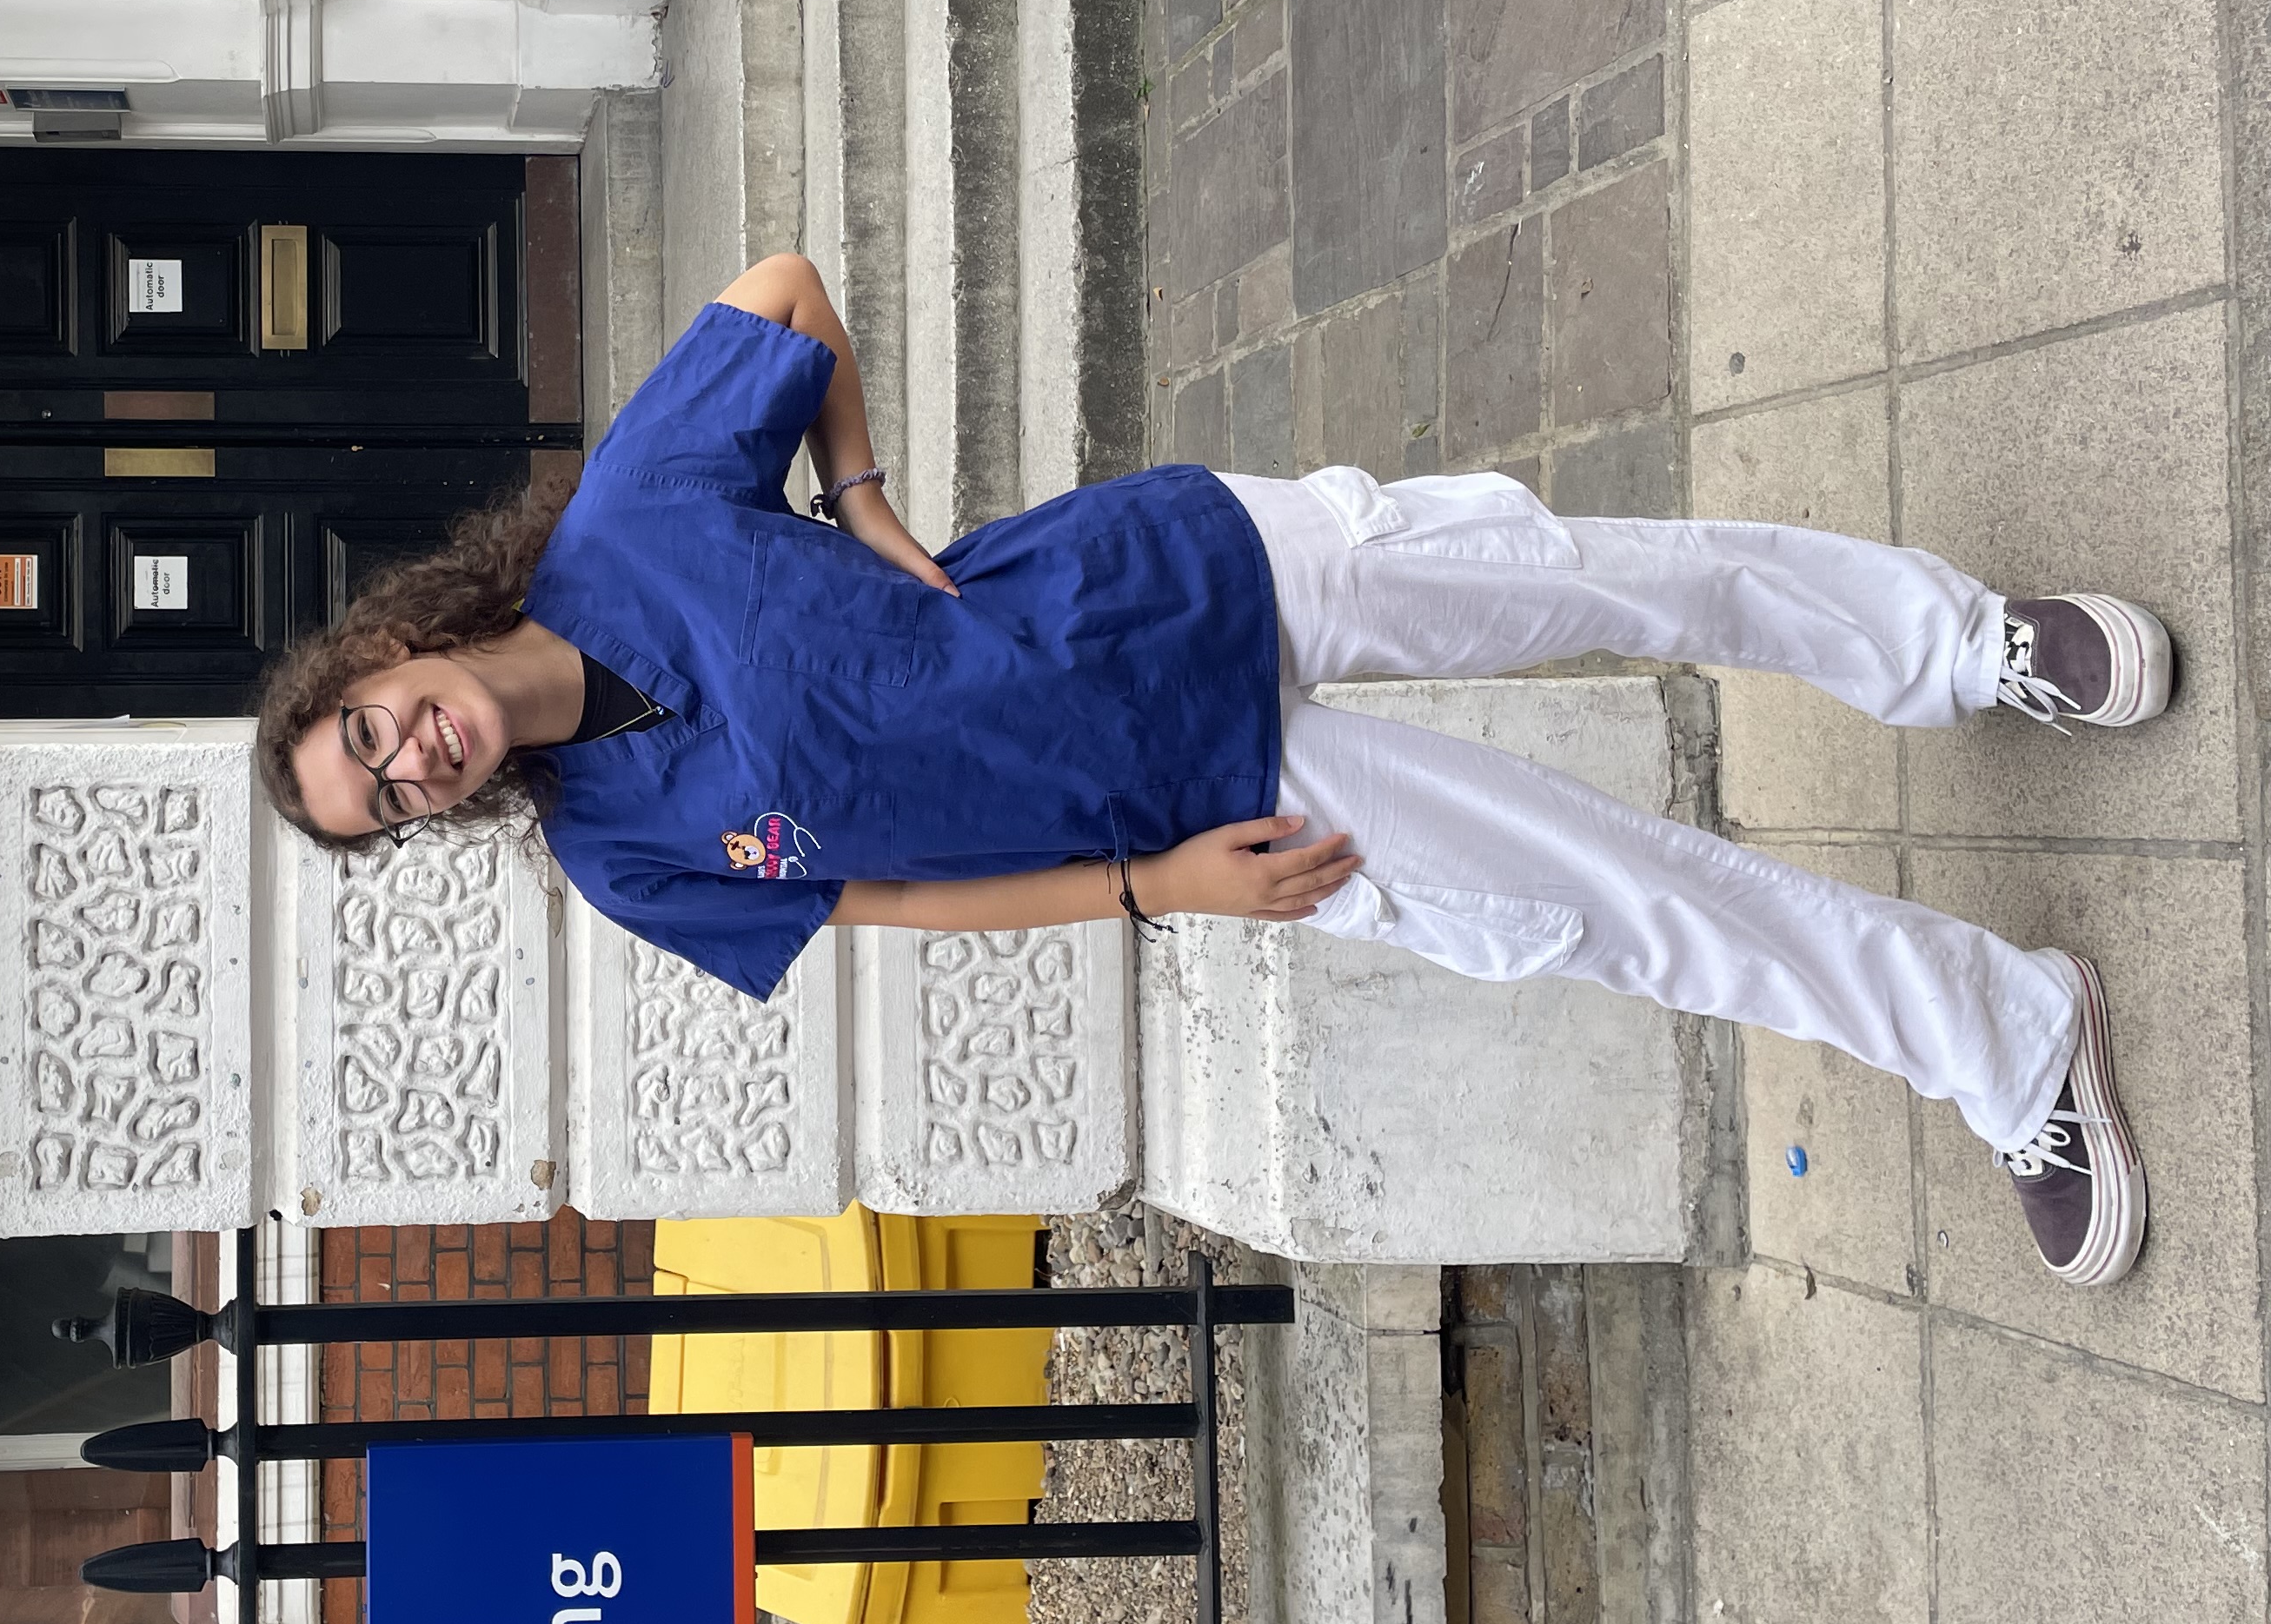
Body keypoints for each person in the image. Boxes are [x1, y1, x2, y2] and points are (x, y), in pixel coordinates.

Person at [256, 255, 2172, 1290]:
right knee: (1618, 909)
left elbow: (787, 292)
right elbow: (891, 900)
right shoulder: (621, 856)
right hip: (1196, 801)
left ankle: (1963, 645)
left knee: (1611, 575)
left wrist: (864, 495)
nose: (411, 763)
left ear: (383, 655)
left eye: (369, 734)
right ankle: (2012, 1036)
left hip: (1184, 572)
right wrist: (1151, 892)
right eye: (390, 802)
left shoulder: (626, 516)